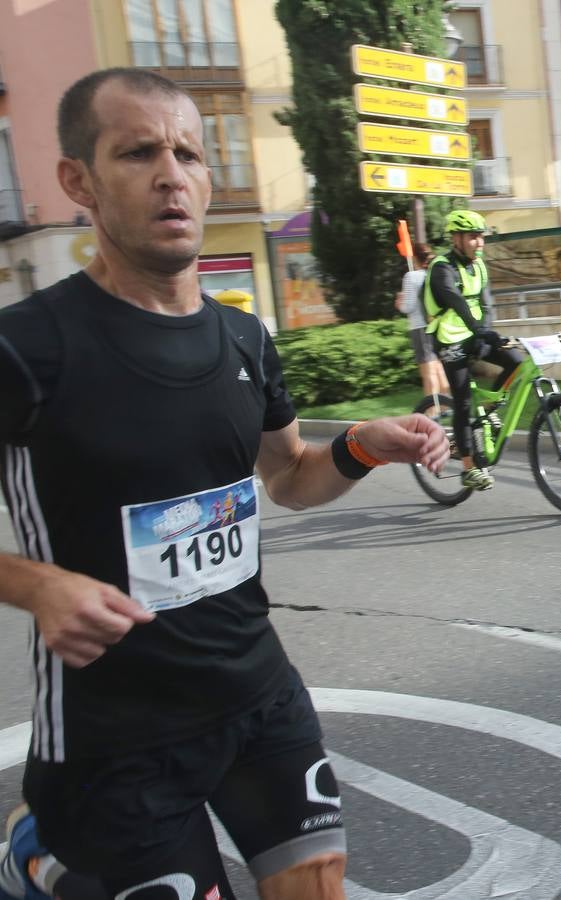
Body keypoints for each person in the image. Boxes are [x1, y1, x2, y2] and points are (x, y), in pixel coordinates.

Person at [0, 67, 448, 900]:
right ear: (79, 182)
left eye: (188, 153)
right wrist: (38, 586)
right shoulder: (28, 347)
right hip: (115, 732)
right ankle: (39, 859)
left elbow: (288, 476)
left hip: (257, 692)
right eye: (137, 153)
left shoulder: (243, 337)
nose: (172, 175)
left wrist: (358, 446)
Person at [421, 208, 524, 491]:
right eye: (473, 237)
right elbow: (457, 302)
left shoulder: (478, 265)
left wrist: (486, 333)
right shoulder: (442, 267)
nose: (479, 243)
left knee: (516, 360)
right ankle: (469, 467)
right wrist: (478, 330)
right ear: (456, 238)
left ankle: (490, 409)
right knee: (464, 401)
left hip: (475, 333)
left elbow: (486, 304)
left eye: (481, 237)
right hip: (450, 339)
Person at [396, 242, 448, 397]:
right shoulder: (433, 273)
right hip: (436, 325)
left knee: (428, 372)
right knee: (438, 368)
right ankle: (447, 405)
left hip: (420, 327)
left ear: (414, 257)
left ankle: (431, 411)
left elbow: (408, 307)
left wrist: (399, 302)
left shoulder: (411, 276)